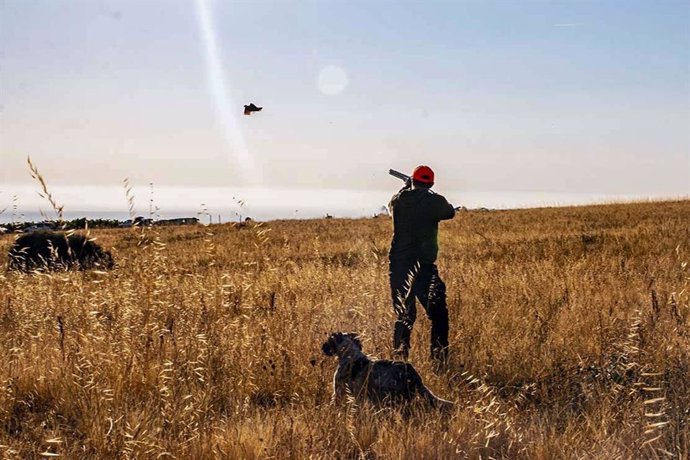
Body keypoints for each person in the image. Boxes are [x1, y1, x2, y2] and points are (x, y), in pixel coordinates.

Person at [388, 165, 455, 364]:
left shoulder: (399, 200)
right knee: (439, 315)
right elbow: (450, 212)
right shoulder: (435, 202)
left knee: (404, 316)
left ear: (413, 181)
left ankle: (400, 363)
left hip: (399, 267)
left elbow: (392, 206)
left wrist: (405, 188)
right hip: (424, 268)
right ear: (432, 183)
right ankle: (439, 361)